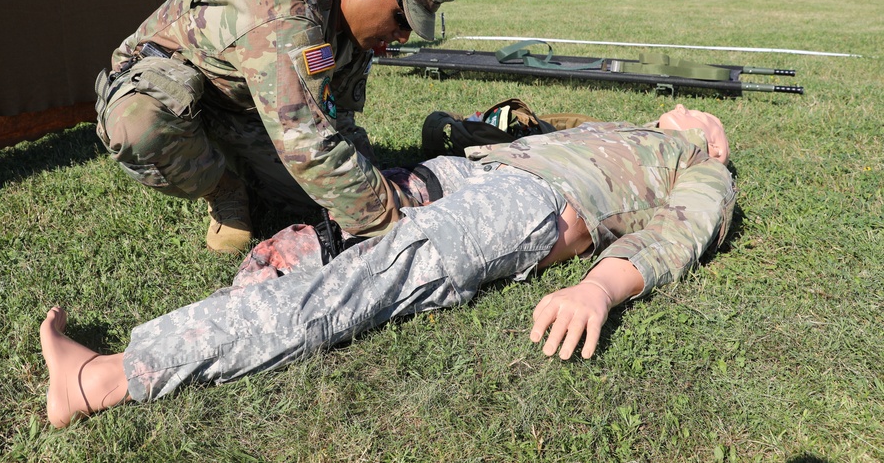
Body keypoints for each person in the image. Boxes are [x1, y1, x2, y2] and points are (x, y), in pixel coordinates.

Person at [40, 105, 736, 428]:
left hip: (533, 203)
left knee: (365, 281)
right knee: (331, 227)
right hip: (475, 170)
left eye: (696, 114)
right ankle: (251, 308)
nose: (681, 109)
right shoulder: (622, 130)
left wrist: (597, 287)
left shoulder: (699, 164)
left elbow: (678, 235)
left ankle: (100, 378)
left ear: (709, 138)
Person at [93, 0, 455, 253]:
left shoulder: (350, 22)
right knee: (140, 125)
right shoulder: (283, 12)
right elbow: (307, 142)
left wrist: (367, 180)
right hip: (173, 98)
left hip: (244, 105)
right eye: (401, 17)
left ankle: (244, 167)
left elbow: (333, 116)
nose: (404, 36)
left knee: (326, 195)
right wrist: (396, 224)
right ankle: (223, 187)